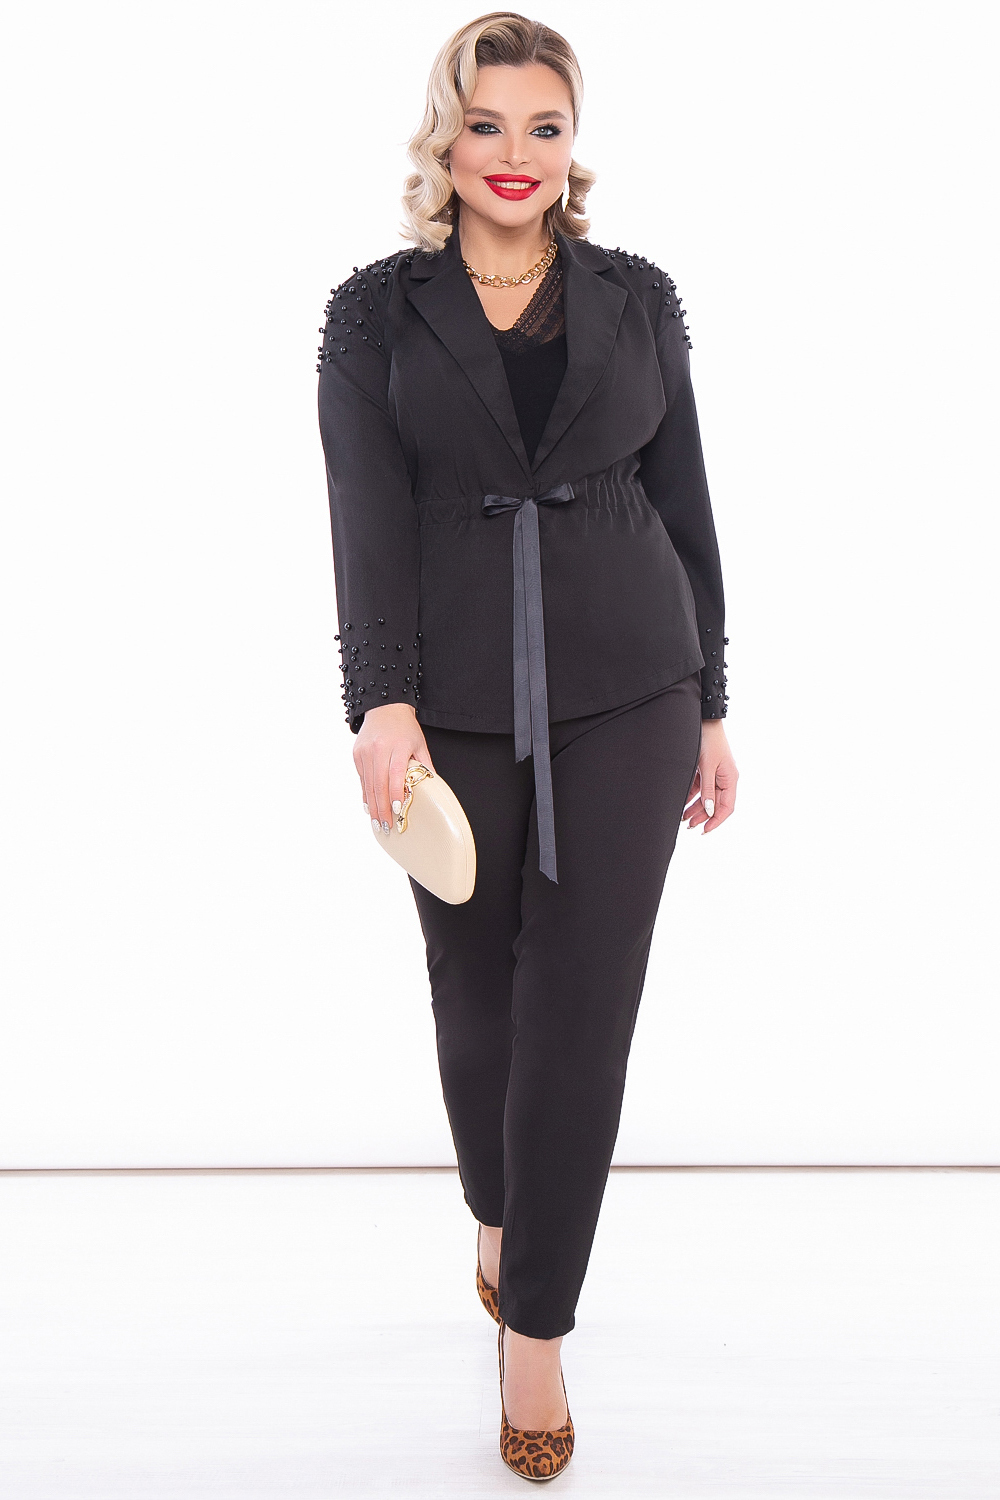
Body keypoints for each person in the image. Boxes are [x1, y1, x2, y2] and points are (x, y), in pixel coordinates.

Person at [317, 11, 738, 1482]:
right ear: (446, 140)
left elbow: (686, 500)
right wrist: (379, 702)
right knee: (478, 998)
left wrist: (713, 702)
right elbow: (363, 517)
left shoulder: (638, 297)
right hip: (451, 703)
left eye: (543, 127)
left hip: (632, 687)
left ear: (574, 142)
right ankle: (500, 1218)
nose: (515, 155)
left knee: (583, 1009)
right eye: (486, 125)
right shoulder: (376, 312)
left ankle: (537, 1333)